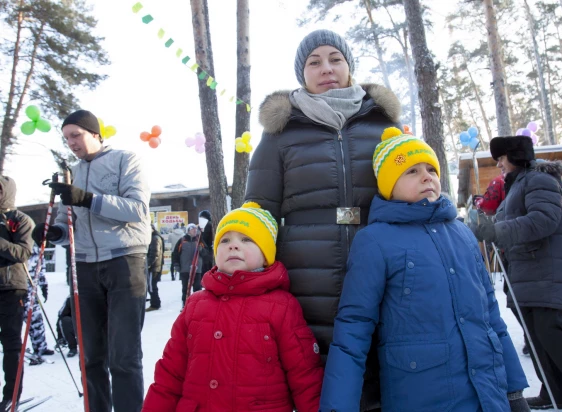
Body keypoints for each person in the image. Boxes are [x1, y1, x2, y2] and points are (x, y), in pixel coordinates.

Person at [245, 29, 401, 411]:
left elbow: (411, 189)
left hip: (378, 260)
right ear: (303, 73)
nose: (326, 68)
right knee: (319, 367)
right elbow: (260, 208)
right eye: (314, 62)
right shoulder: (280, 134)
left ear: (349, 66)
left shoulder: (381, 127)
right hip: (305, 269)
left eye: (335, 59)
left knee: (384, 361)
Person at [319, 128, 529, 412]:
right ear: (388, 185)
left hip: (487, 396)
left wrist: (514, 391)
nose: (427, 176)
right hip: (422, 396)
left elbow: (490, 315)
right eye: (412, 171)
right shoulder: (375, 240)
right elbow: (354, 329)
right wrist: (338, 407)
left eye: (431, 168)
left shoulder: (463, 234)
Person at [475, 135, 562, 412]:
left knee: (551, 332)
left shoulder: (538, 180)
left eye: (501, 159)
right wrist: (489, 226)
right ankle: (556, 393)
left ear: (514, 157)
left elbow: (543, 220)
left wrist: (498, 231)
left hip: (545, 269)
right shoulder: (518, 184)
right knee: (538, 335)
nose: (499, 165)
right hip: (527, 269)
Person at [142, 203, 323, 412]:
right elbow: (169, 376)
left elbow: (305, 379)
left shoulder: (282, 307)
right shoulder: (195, 305)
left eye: (246, 239)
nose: (233, 246)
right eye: (225, 240)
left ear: (266, 254)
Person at [32, 109, 150, 412]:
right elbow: (66, 222)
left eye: (76, 135)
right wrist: (52, 231)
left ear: (95, 134)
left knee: (123, 356)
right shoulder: (71, 171)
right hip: (84, 266)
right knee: (91, 356)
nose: (71, 142)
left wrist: (87, 198)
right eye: (66, 138)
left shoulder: (125, 159)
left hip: (125, 260)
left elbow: (138, 209)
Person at [0, 176, 34, 410]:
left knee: (11, 344)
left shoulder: (20, 219)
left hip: (12, 288)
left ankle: (11, 395)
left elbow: (23, 252)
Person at [24, 245, 54, 365]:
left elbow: (39, 269)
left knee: (36, 320)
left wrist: (43, 285)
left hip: (31, 288)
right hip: (18, 288)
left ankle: (41, 346)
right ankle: (15, 348)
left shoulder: (35, 248)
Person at [171, 223, 208, 307]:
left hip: (197, 269)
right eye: (192, 229)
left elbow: (207, 254)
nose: (195, 231)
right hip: (185, 269)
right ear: (188, 231)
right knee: (185, 289)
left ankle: (197, 306)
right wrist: (176, 264)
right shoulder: (182, 240)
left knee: (197, 289)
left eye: (195, 229)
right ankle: (185, 305)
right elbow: (175, 254)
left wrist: (201, 250)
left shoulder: (199, 240)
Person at [146, 224, 164, 312]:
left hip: (153, 267)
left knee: (151, 286)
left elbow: (155, 253)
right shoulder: (153, 237)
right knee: (151, 285)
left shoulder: (155, 238)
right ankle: (155, 303)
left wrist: (148, 264)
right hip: (154, 267)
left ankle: (155, 304)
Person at [198, 209, 214, 274]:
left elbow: (204, 237)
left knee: (205, 268)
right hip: (208, 249)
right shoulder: (209, 224)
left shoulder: (206, 225)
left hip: (206, 249)